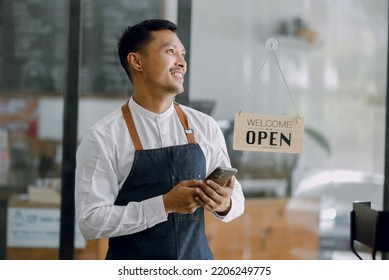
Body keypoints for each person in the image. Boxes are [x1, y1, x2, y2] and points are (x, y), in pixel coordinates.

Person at [75, 19, 245, 260]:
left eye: (183, 54)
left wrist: (223, 203)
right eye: (170, 51)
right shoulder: (102, 137)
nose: (182, 63)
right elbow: (90, 222)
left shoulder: (205, 126)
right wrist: (164, 205)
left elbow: (236, 198)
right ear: (136, 61)